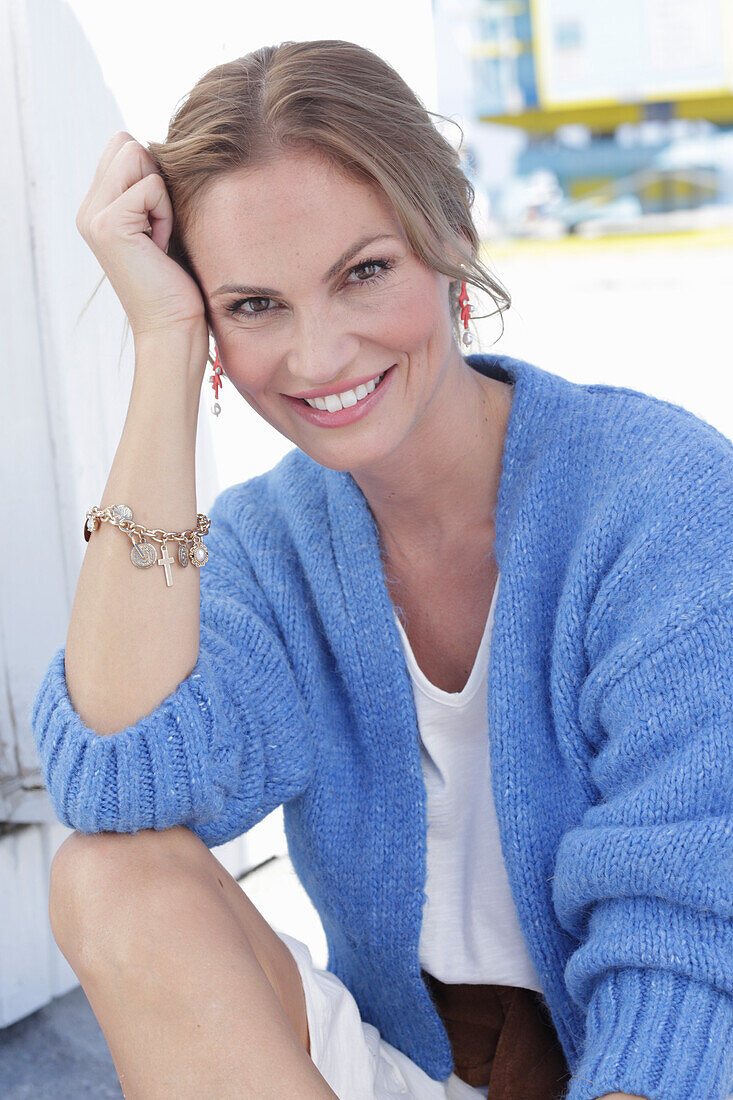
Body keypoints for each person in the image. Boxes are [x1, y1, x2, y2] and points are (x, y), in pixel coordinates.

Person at [31, 39, 733, 1100]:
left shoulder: (657, 498)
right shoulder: (273, 546)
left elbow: (689, 935)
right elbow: (114, 777)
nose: (318, 357)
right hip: (415, 1062)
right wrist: (166, 348)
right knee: (106, 872)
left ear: (451, 235)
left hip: (664, 1065)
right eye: (255, 305)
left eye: (363, 272)